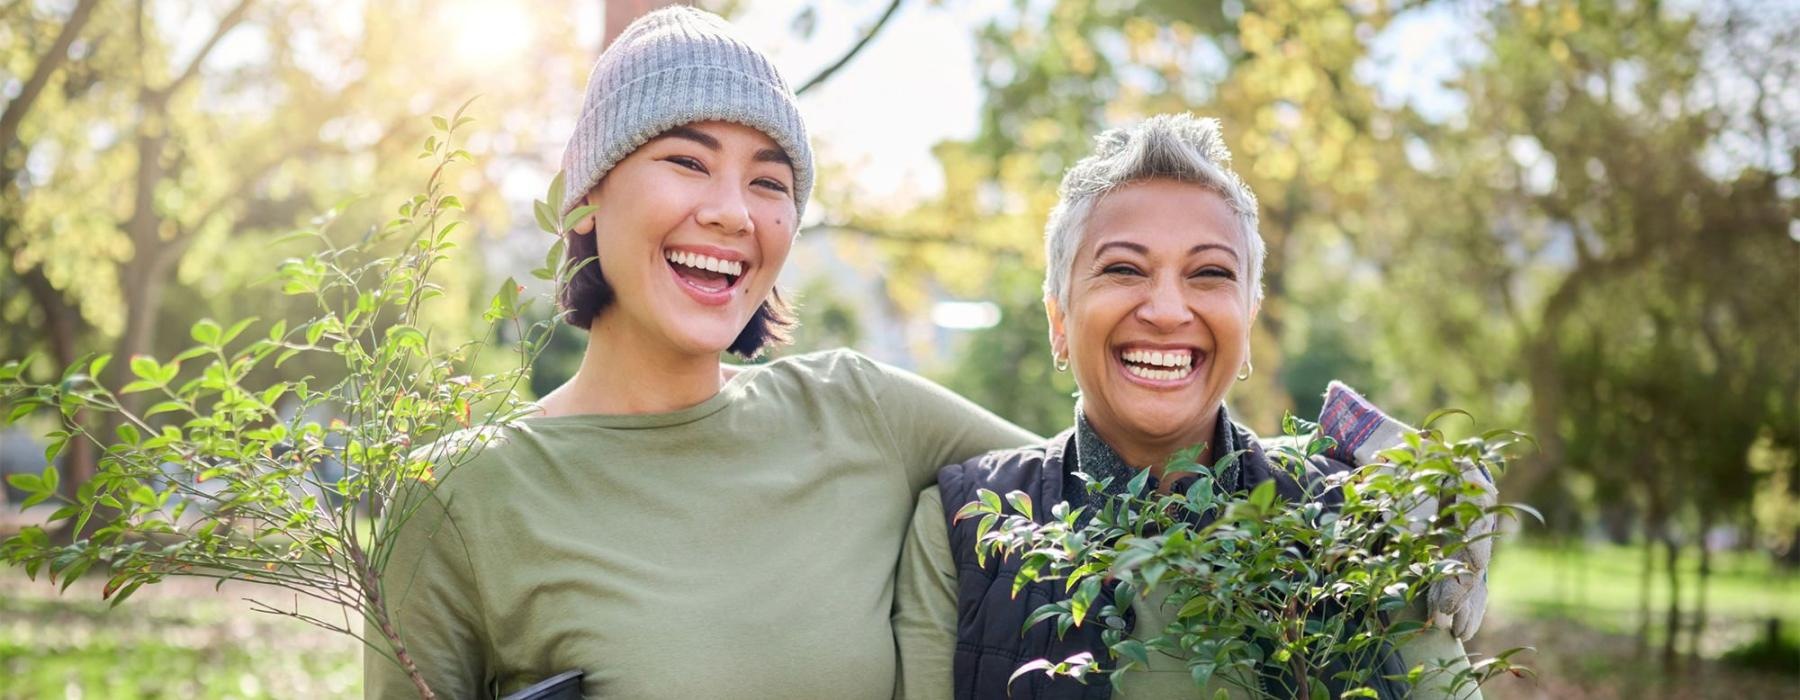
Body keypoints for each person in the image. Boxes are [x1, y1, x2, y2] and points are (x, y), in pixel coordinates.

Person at [363, 8, 1039, 698]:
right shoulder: (457, 497)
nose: (733, 212)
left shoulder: (866, 412)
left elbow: (1116, 501)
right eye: (688, 162)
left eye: (768, 183)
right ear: (586, 194)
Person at [893, 114, 1490, 699]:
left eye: (1209, 272)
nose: (1168, 310)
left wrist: (1433, 485)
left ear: (1248, 322)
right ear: (1059, 320)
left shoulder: (1361, 514)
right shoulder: (961, 526)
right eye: (1124, 268)